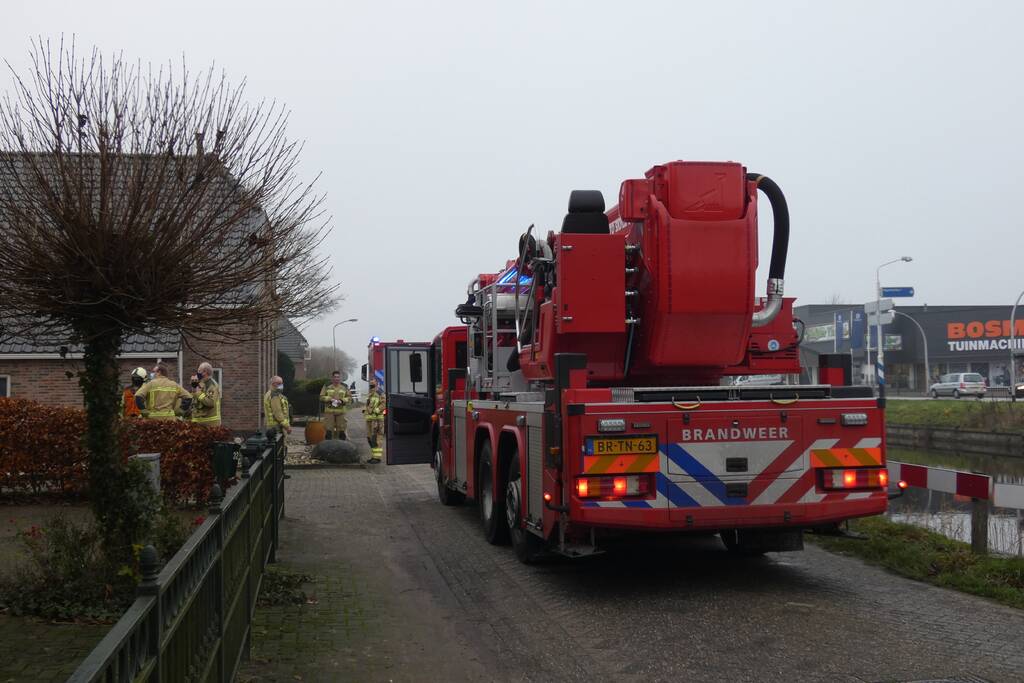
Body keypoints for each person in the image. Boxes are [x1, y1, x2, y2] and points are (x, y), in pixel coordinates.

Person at [319, 371, 351, 440]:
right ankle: (329, 445)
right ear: (332, 378)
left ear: (340, 378)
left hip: (341, 412)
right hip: (329, 412)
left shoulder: (344, 387)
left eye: (338, 377)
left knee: (342, 431)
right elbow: (321, 397)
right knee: (328, 431)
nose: (336, 378)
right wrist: (330, 399)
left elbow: (349, 398)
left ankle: (342, 445)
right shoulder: (327, 386)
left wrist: (342, 400)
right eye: (335, 377)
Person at [190, 362, 221, 427]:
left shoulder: (212, 385)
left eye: (199, 371)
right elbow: (194, 400)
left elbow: (210, 402)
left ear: (205, 372)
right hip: (198, 422)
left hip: (210, 424)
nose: (197, 373)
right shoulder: (200, 383)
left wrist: (198, 392)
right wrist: (193, 388)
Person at [363, 378, 385, 463]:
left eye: (373, 382)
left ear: (377, 383)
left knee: (376, 439)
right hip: (369, 419)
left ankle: (377, 458)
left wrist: (377, 410)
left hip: (377, 420)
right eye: (370, 382)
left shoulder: (380, 392)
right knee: (370, 438)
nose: (371, 384)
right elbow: (368, 405)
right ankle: (373, 456)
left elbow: (384, 403)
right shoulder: (370, 394)